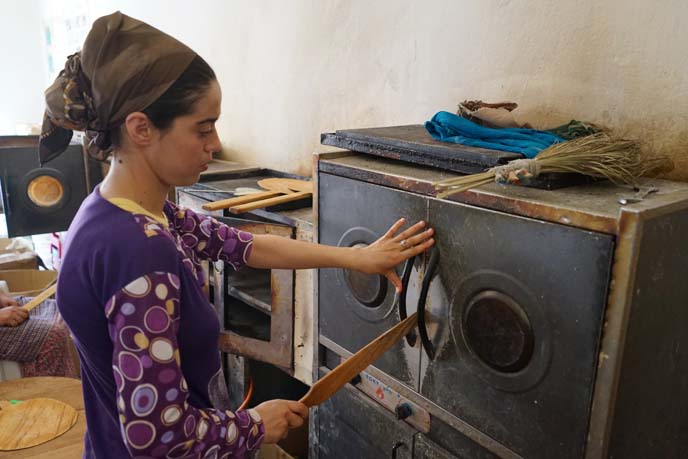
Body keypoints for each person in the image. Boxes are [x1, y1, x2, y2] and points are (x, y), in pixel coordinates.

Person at [40, 12, 434, 459]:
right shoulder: (139, 251)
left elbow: (243, 245)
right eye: (202, 127)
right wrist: (253, 424)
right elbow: (157, 437)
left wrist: (357, 258)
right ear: (141, 128)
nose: (215, 142)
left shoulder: (120, 212)